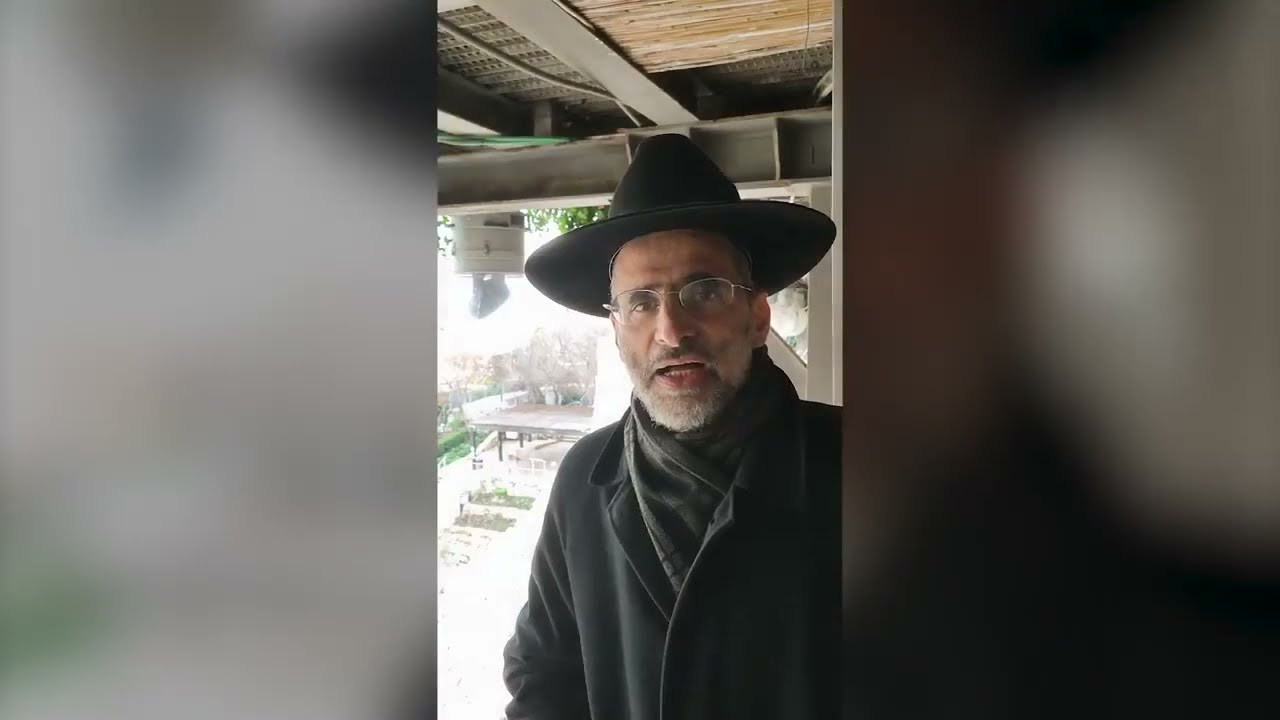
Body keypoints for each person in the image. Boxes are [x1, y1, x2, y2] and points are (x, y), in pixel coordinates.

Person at [502, 134, 841, 720]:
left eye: (704, 291)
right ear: (616, 329)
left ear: (757, 316)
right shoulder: (584, 480)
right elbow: (544, 675)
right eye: (640, 303)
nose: (671, 330)